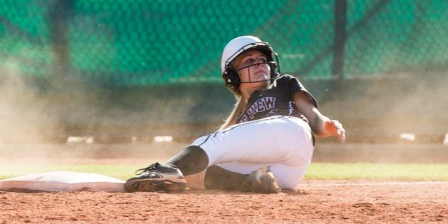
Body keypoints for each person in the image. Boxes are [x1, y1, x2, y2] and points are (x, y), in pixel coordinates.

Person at [126, 35, 345, 193]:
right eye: (249, 61)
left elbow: (313, 118)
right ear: (232, 75)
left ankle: (167, 169)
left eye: (262, 59)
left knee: (211, 142)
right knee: (201, 173)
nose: (260, 64)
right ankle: (253, 183)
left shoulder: (283, 83)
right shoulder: (241, 120)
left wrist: (326, 125)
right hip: (285, 174)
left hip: (292, 131)